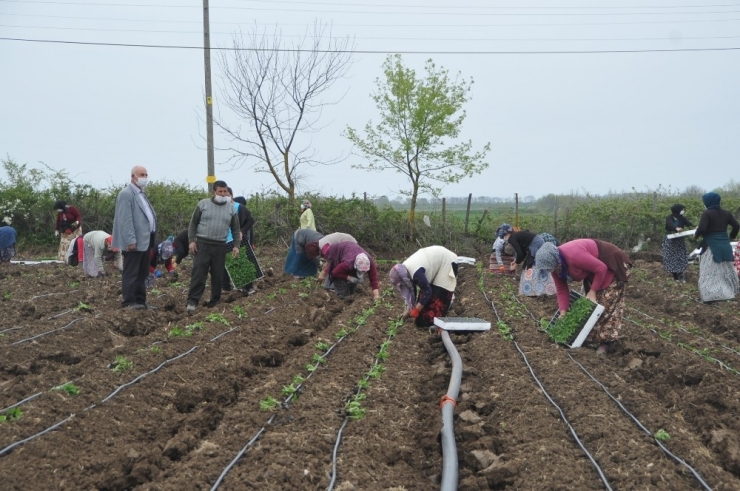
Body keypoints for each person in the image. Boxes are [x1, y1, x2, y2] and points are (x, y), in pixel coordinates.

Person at [535, 239, 632, 354]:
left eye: (551, 268)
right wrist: (563, 312)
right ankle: (591, 338)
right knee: (590, 306)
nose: (551, 271)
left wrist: (593, 291)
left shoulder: (573, 256)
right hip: (595, 271)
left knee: (606, 304)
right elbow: (562, 290)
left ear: (555, 260)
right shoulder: (557, 268)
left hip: (613, 264)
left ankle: (606, 343)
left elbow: (601, 268)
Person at [186, 180, 241, 312]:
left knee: (218, 276)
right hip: (202, 245)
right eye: (220, 191)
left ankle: (214, 301)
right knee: (199, 273)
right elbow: (193, 224)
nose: (223, 194)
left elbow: (235, 229)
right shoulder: (203, 204)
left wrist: (236, 245)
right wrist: (192, 241)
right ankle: (192, 302)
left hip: (220, 246)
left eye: (225, 191)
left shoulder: (231, 209)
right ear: (214, 192)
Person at [112, 166, 158, 310]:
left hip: (145, 240)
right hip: (134, 242)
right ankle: (128, 302)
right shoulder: (126, 194)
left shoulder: (141, 194)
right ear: (133, 176)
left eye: (146, 174)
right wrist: (130, 239)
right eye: (141, 175)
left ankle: (140, 301)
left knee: (142, 272)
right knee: (131, 272)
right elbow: (125, 219)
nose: (144, 177)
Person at [389, 246, 458, 328]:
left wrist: (417, 309)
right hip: (436, 262)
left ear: (403, 278)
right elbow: (412, 291)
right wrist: (408, 309)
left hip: (447, 261)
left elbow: (428, 291)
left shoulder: (416, 273)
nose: (402, 286)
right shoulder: (404, 270)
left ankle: (436, 324)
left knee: (436, 302)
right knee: (420, 318)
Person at [694, 192, 739, 303]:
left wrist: (696, 234)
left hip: (711, 245)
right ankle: (727, 294)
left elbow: (703, 229)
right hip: (724, 244)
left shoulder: (707, 213)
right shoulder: (726, 213)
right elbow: (737, 226)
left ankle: (710, 297)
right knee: (725, 269)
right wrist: (731, 238)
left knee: (709, 270)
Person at [662, 203, 694, 282]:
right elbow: (670, 225)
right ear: (677, 210)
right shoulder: (669, 218)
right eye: (682, 210)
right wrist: (676, 228)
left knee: (680, 256)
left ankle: (681, 274)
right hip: (670, 240)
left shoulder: (682, 218)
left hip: (679, 240)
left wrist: (695, 228)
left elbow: (689, 224)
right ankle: (675, 275)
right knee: (671, 256)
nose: (683, 211)